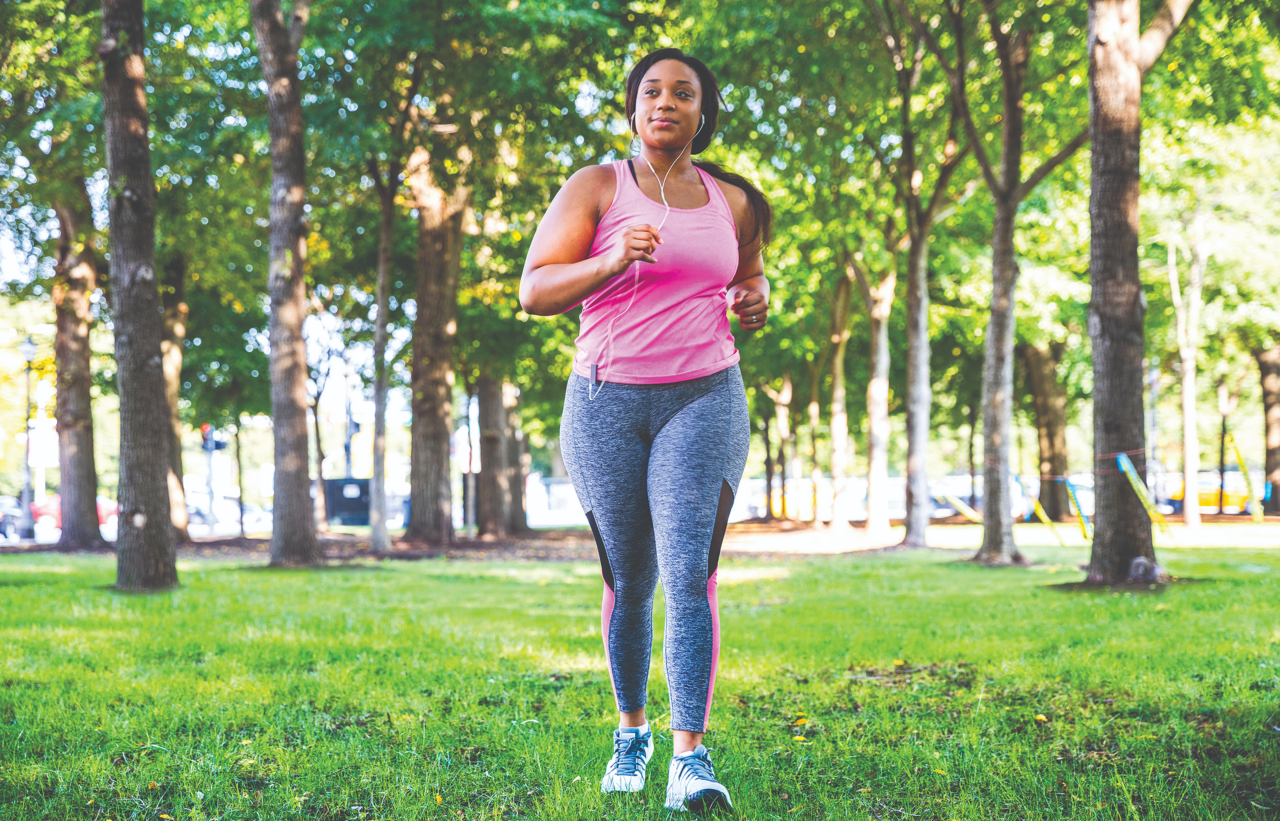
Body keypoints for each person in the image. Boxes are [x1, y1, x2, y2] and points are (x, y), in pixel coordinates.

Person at [519, 48, 773, 812]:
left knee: (690, 570)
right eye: (652, 92)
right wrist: (607, 262)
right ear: (633, 109)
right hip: (606, 401)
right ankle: (632, 731)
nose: (666, 102)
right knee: (630, 578)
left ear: (703, 112)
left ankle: (690, 757)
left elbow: (749, 272)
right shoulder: (597, 186)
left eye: (683, 93)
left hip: (705, 396)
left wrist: (756, 300)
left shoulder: (734, 201)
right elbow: (534, 289)